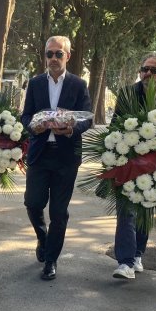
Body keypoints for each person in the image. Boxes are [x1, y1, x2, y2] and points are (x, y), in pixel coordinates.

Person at [21, 36, 92, 281]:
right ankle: (43, 237)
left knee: (59, 212)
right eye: (49, 54)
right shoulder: (35, 83)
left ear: (67, 56)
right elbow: (26, 116)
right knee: (32, 203)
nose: (52, 58)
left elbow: (87, 118)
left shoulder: (78, 84)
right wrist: (34, 127)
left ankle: (51, 259)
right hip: (40, 154)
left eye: (58, 54)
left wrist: (72, 129)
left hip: (66, 157)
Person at [111, 53, 156, 279]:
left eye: (153, 70)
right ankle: (125, 262)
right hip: (129, 161)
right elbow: (115, 126)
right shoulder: (128, 93)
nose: (147, 74)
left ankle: (138, 253)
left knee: (144, 209)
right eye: (144, 69)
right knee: (126, 211)